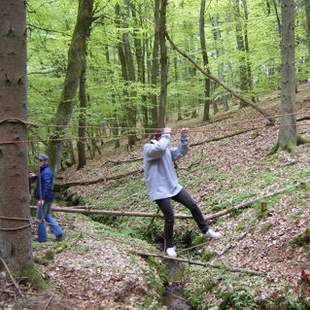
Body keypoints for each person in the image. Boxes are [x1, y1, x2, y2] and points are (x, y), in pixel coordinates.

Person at [143, 127, 221, 257]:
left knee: (192, 205)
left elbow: (180, 152)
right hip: (159, 190)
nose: (164, 137)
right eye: (162, 135)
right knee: (169, 217)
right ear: (157, 136)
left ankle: (206, 230)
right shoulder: (148, 149)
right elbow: (160, 150)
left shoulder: (165, 149)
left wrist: (184, 137)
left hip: (173, 187)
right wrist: (166, 135)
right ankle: (169, 246)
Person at [31, 154, 64, 242]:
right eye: (38, 160)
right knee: (47, 216)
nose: (39, 162)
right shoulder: (43, 171)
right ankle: (59, 233)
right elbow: (41, 177)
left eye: (41, 160)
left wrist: (42, 199)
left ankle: (42, 239)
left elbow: (47, 185)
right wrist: (35, 175)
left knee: (39, 218)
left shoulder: (46, 171)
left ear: (46, 161)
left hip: (44, 198)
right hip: (47, 198)